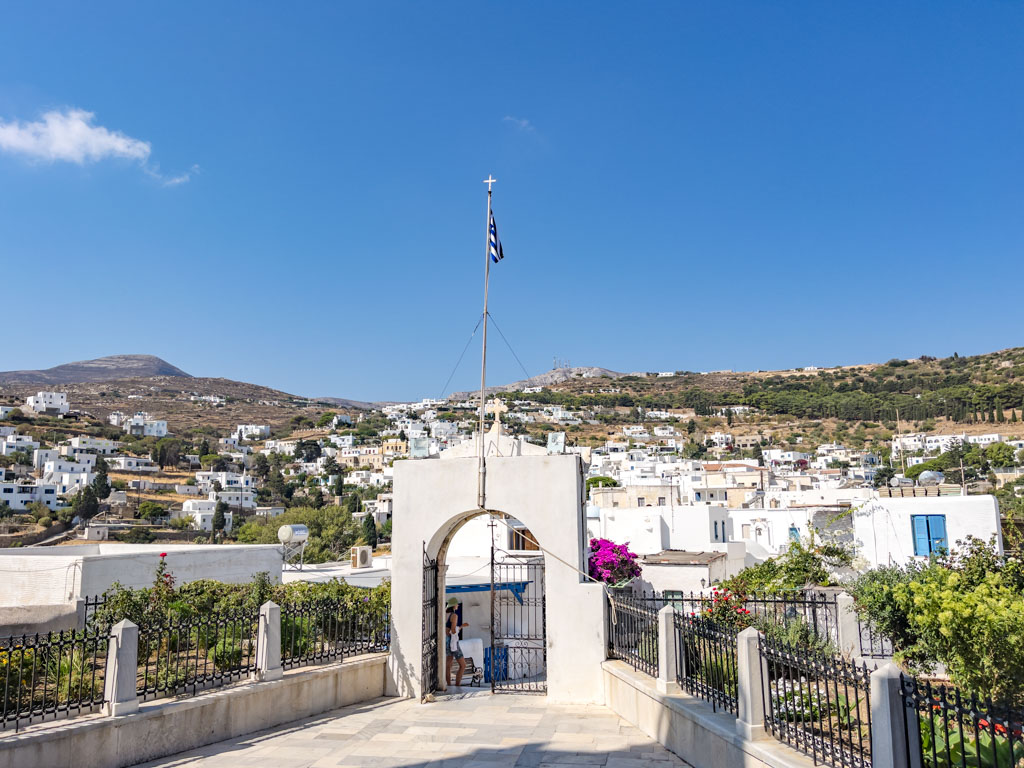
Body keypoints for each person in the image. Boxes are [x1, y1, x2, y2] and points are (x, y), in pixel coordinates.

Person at [444, 597, 469, 687]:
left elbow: (446, 630)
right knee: (463, 665)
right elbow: (453, 631)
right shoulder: (454, 615)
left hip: (446, 641)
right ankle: (458, 685)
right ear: (454, 605)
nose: (458, 605)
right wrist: (462, 626)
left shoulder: (444, 614)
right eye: (457, 604)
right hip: (452, 642)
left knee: (448, 665)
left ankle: (449, 685)